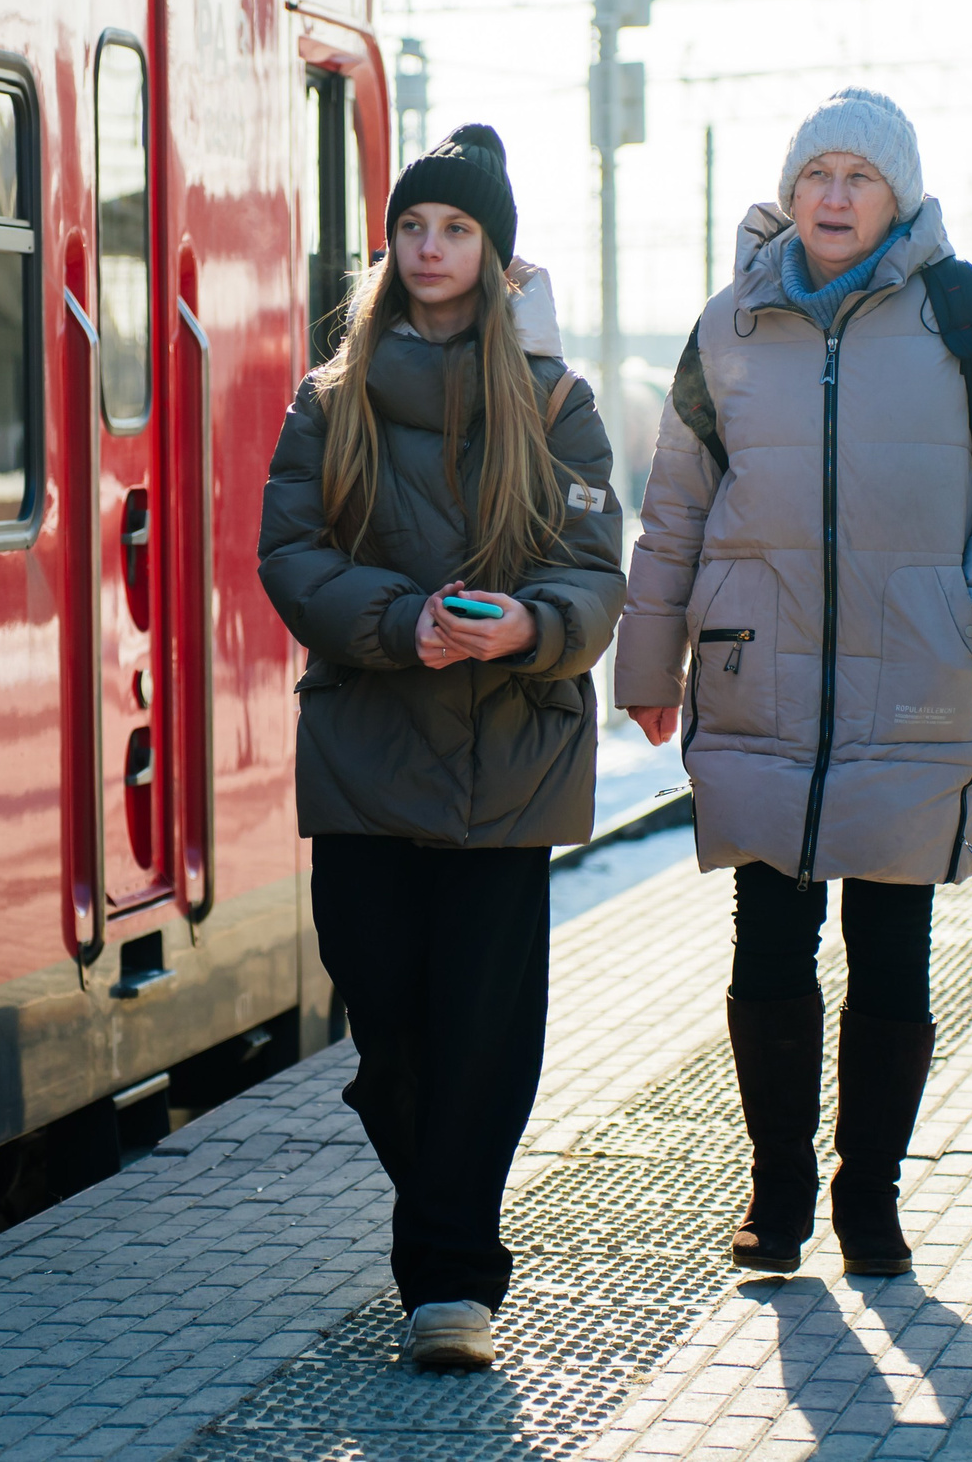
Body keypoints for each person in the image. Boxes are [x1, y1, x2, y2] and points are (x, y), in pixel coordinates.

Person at [612, 88, 972, 1279]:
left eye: (857, 177)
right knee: (766, 938)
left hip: (911, 665)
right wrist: (649, 658)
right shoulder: (729, 324)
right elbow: (674, 506)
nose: (832, 195)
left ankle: (868, 1194)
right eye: (815, 172)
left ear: (898, 195)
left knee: (891, 942)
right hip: (758, 670)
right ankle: (773, 1193)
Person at [258, 124, 624, 1371]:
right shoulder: (329, 399)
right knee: (387, 1024)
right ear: (390, 244)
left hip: (508, 762)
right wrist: (398, 622)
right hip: (368, 756)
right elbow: (290, 555)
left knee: (483, 1033)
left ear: (496, 255)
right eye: (414, 227)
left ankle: (451, 1277)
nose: (431, 248)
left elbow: (594, 570)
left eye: (457, 230)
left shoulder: (557, 405)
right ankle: (444, 1213)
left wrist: (529, 622)